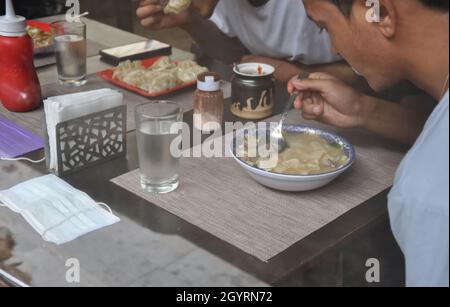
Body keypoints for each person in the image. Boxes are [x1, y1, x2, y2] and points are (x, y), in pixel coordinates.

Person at [288, 0, 449, 287]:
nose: (334, 50)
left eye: (325, 27)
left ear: (382, 12)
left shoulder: (431, 196)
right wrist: (362, 109)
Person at [136, 0, 360, 83]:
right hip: (278, 101)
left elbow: (374, 78)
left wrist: (293, 72)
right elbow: (234, 54)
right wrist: (189, 20)